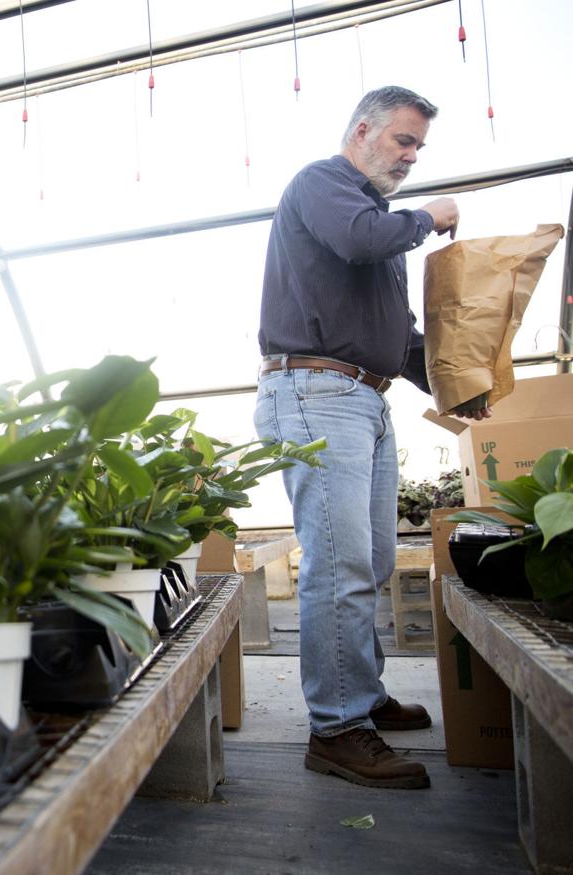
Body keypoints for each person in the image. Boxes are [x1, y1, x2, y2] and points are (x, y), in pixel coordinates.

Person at [253, 86, 489, 790]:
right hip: (315, 393)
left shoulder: (379, 228)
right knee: (340, 562)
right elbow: (362, 236)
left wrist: (455, 387)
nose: (413, 157)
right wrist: (428, 216)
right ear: (364, 130)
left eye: (419, 147)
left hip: (363, 398)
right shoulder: (326, 186)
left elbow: (400, 337)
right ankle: (336, 727)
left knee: (375, 558)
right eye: (404, 141)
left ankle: (364, 694)